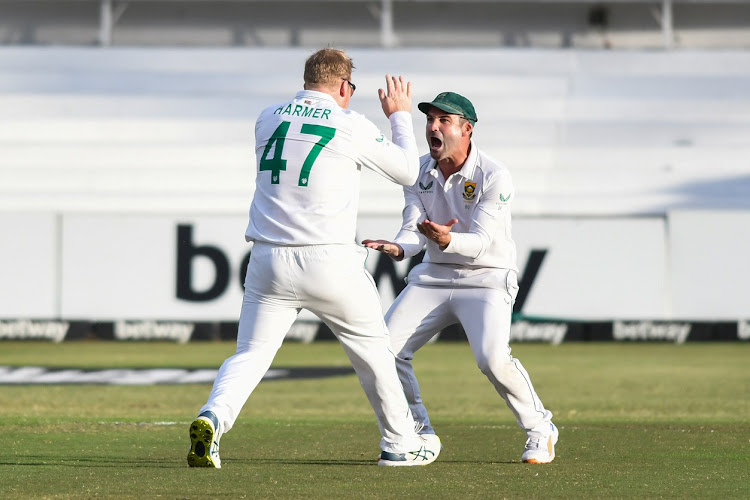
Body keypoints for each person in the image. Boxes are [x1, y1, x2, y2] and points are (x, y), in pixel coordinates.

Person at [187, 48, 441, 468]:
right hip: (328, 259)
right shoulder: (349, 124)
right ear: (344, 86)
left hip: (267, 259)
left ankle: (212, 418)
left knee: (250, 355)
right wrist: (399, 115)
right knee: (374, 351)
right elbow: (408, 172)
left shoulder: (267, 117)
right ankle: (400, 443)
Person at [362, 91, 559, 464]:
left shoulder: (494, 175)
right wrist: (400, 247)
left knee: (491, 359)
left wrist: (448, 239)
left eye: (444, 121)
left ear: (467, 129)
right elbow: (413, 227)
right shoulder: (418, 171)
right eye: (429, 120)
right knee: (383, 351)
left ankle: (540, 429)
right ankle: (419, 434)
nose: (432, 128)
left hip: (487, 276)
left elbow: (482, 243)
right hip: (434, 274)